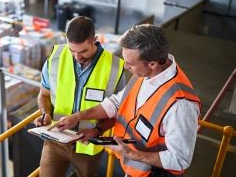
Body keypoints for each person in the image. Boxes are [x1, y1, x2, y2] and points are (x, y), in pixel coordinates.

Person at [54, 24, 201, 176]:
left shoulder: (181, 105)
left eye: (130, 63)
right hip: (134, 170)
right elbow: (116, 103)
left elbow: (180, 159)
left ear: (152, 64)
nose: (125, 66)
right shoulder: (146, 73)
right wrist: (79, 117)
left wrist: (132, 154)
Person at [34, 16, 126, 177]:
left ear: (94, 40)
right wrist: (45, 113)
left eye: (83, 51)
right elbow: (44, 95)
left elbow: (119, 113)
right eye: (72, 51)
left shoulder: (115, 68)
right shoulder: (55, 57)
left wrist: (98, 130)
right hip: (56, 139)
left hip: (89, 145)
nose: (77, 57)